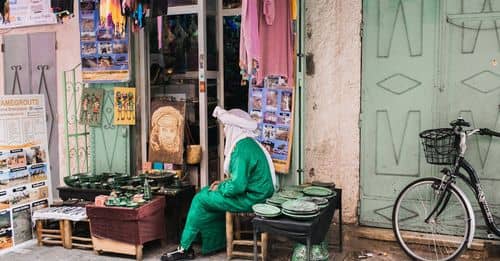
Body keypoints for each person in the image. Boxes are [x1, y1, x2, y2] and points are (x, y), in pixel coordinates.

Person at [162, 106, 278, 261]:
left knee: (200, 198)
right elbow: (242, 179)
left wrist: (222, 187)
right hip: (260, 195)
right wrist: (223, 184)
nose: (223, 131)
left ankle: (184, 248)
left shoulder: (241, 149)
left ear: (233, 129)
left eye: (225, 127)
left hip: (252, 199)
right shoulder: (248, 143)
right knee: (207, 193)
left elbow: (237, 186)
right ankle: (210, 240)